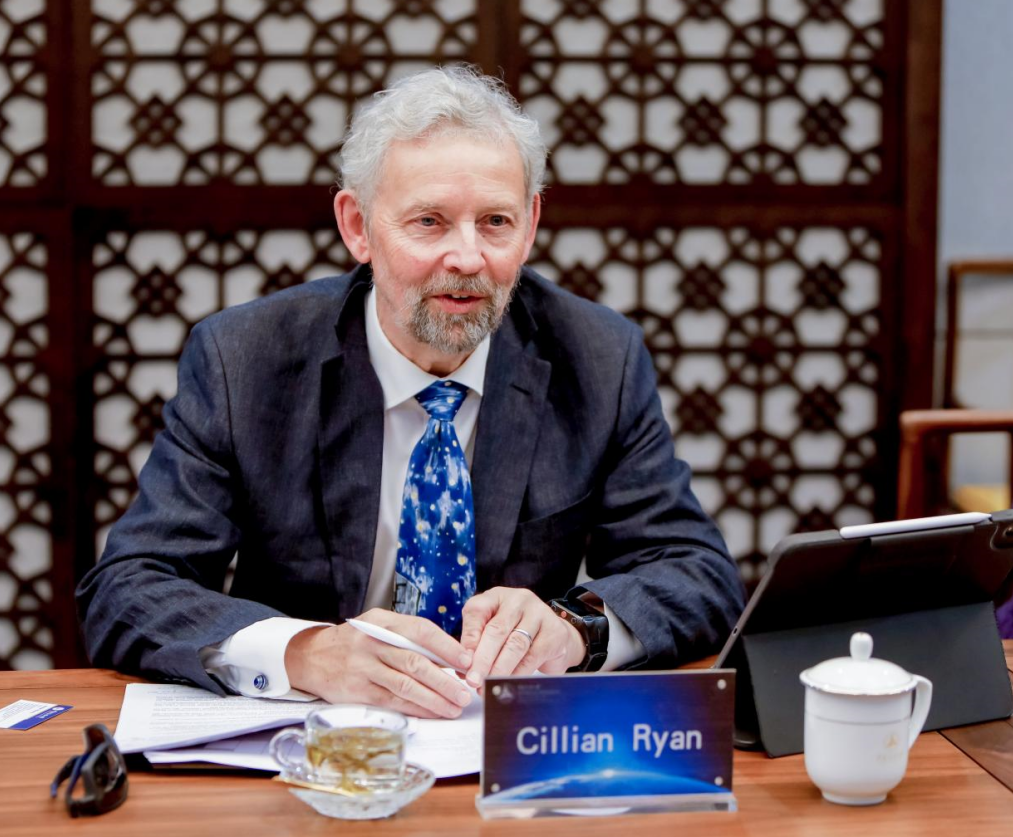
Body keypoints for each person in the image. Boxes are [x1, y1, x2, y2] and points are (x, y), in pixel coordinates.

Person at [76, 66, 744, 719]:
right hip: (314, 748)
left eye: (495, 221)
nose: (467, 257)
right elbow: (129, 587)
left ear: (531, 224)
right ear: (357, 226)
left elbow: (696, 573)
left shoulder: (597, 359)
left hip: (505, 745)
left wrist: (574, 628)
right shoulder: (245, 361)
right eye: (429, 221)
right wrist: (307, 652)